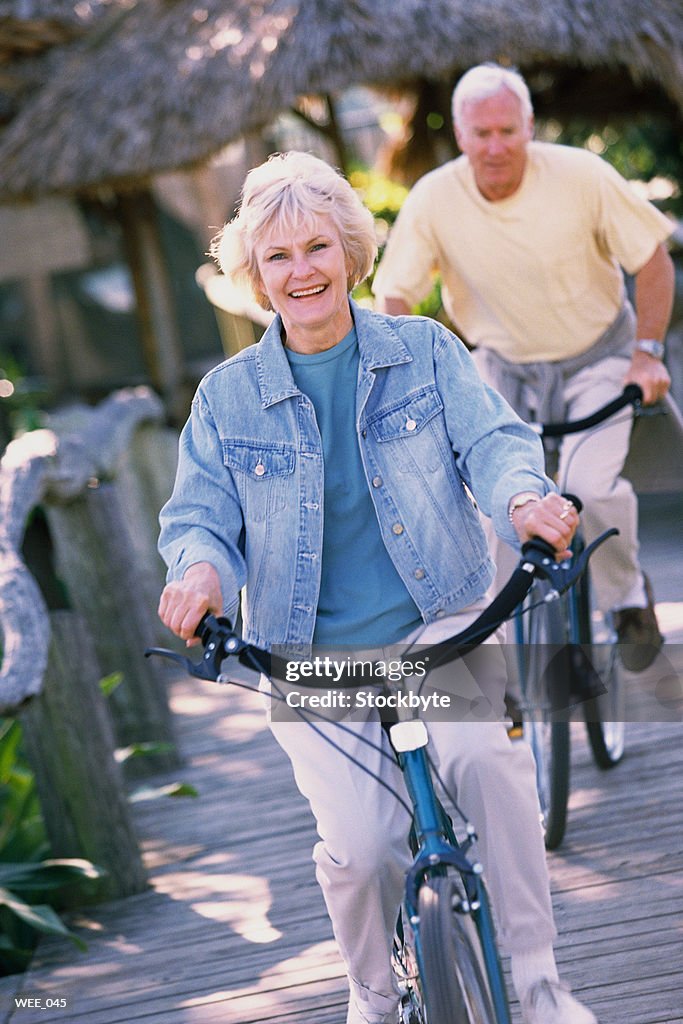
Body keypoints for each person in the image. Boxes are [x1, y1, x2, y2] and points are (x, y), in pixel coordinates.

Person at [157, 150, 598, 1024]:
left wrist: (523, 498)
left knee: (487, 768)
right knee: (361, 849)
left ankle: (542, 985)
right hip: (309, 658)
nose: (301, 272)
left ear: (350, 256)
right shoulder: (225, 399)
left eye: (317, 248)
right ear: (254, 273)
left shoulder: (424, 349)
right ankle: (370, 995)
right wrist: (198, 572)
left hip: (444, 622)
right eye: (277, 257)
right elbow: (198, 518)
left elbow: (492, 441)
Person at [373, 62, 675, 672]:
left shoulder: (582, 175)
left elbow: (652, 259)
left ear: (529, 127)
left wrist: (648, 353)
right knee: (494, 506)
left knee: (589, 489)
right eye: (480, 133)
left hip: (598, 357)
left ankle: (626, 602)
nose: (494, 147)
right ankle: (505, 661)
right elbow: (394, 294)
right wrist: (406, 378)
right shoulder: (435, 196)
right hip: (500, 367)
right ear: (460, 135)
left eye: (507, 131)